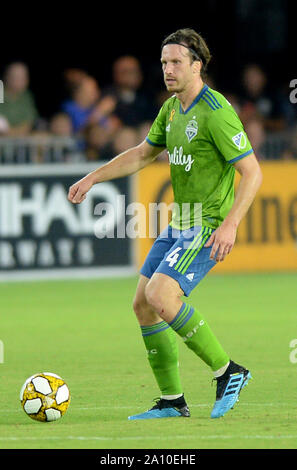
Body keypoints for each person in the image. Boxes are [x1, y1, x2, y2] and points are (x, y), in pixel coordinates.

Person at [68, 28, 262, 420]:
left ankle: (229, 372)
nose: (167, 70)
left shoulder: (216, 111)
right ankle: (173, 401)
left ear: (197, 65)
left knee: (161, 295)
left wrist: (231, 225)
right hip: (179, 222)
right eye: (163, 63)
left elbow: (252, 172)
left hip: (206, 223)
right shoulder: (172, 108)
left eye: (175, 62)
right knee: (143, 304)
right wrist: (92, 177)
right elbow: (143, 153)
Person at [0, 62, 39, 136]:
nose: (19, 81)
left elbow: (29, 123)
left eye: (23, 77)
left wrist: (11, 133)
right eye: (15, 77)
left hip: (19, 143)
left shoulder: (27, 96)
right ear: (6, 77)